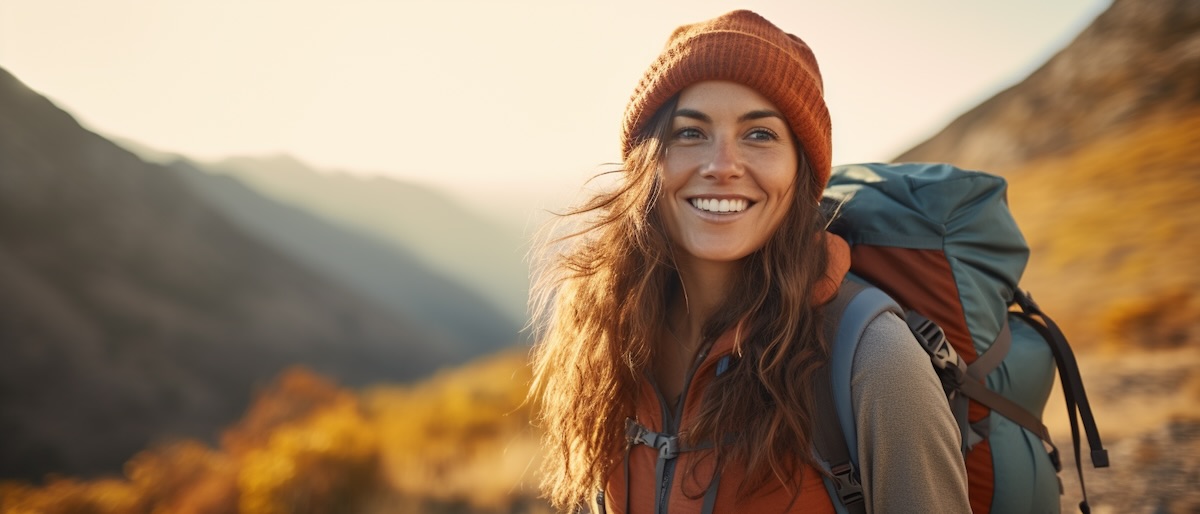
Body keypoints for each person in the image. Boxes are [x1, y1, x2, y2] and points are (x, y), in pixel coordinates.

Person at [529, 10, 970, 513]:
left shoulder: (874, 362)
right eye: (689, 133)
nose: (721, 166)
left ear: (801, 170)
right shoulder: (606, 334)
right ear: (648, 163)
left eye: (759, 135)